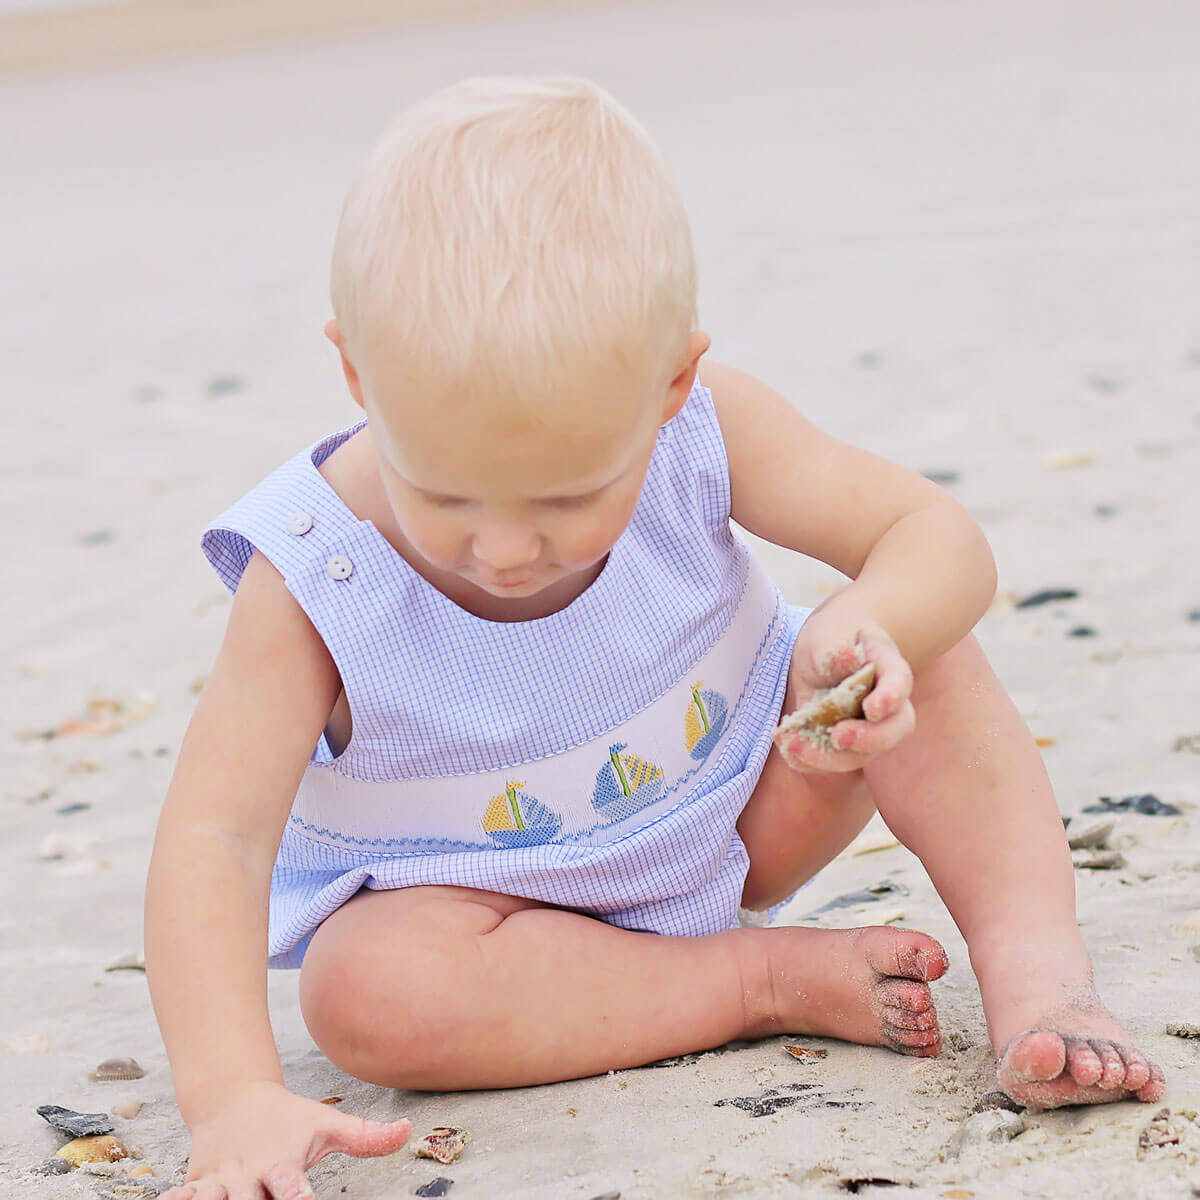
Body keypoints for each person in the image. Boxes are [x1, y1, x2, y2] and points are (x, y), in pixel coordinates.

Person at [146, 75, 1165, 1200]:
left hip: (749, 801)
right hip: (498, 919)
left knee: (930, 656)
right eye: (446, 496)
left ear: (670, 381)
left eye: (567, 497)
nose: (504, 551)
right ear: (355, 376)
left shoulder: (702, 426)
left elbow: (936, 535)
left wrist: (869, 624)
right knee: (364, 994)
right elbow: (216, 842)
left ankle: (1040, 977)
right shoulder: (314, 577)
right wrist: (231, 1095)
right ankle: (755, 981)